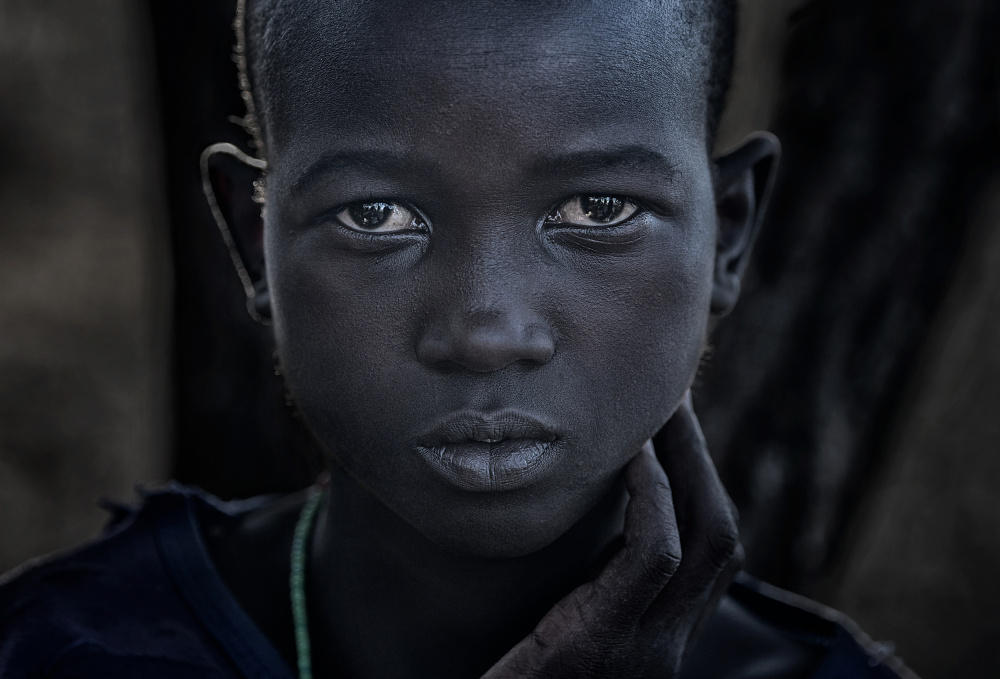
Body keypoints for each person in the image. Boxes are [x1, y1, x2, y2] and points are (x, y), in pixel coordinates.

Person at [0, 0, 916, 677]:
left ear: (731, 230)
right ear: (255, 241)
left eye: (597, 208)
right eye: (378, 213)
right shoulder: (56, 649)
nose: (486, 331)